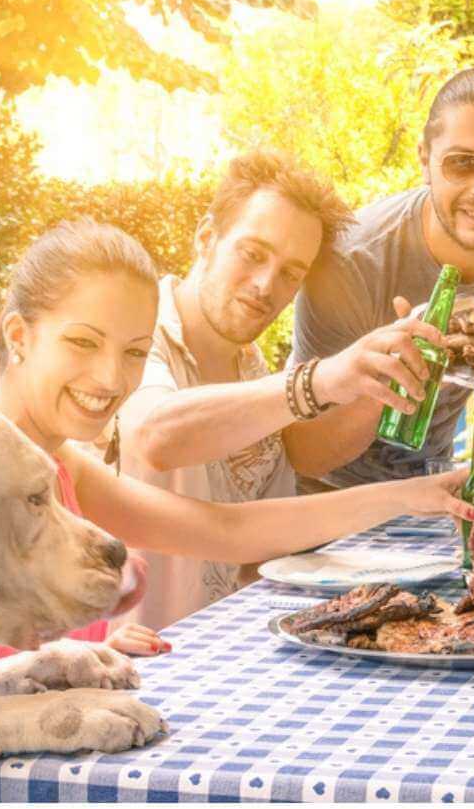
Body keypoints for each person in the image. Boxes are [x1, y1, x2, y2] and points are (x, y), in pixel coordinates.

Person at [0, 219, 473, 682]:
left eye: (133, 352)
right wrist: (61, 664)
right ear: (20, 336)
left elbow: (227, 532)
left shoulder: (59, 464)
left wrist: (414, 494)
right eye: (82, 342)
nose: (108, 377)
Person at [115, 151, 452, 630]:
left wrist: (384, 376)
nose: (265, 285)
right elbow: (157, 436)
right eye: (253, 254)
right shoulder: (135, 333)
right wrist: (323, 378)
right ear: (206, 238)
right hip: (145, 660)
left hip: (238, 647)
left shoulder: (248, 363)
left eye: (291, 273)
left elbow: (305, 457)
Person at [286, 66, 474, 489]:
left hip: (432, 482)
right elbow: (305, 455)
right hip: (325, 495)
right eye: (461, 163)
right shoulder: (351, 263)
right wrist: (383, 381)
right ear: (424, 161)